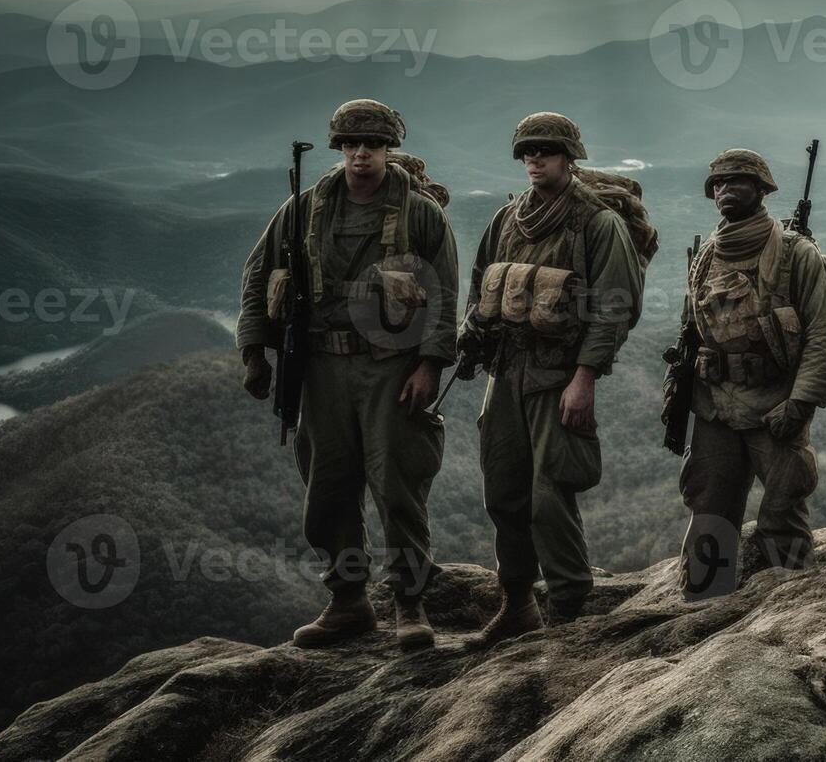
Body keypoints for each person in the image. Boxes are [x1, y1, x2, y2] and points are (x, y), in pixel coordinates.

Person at [236, 98, 456, 650]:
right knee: (328, 488)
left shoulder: (419, 213)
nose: (362, 153)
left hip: (390, 368)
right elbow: (260, 272)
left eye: (373, 145)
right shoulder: (306, 207)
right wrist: (253, 351)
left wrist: (430, 363)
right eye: (352, 144)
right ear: (339, 148)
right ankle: (348, 601)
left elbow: (447, 291)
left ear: (389, 149)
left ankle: (409, 602)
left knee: (397, 486)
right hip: (322, 367)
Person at [460, 112, 645, 643]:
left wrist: (585, 378)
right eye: (527, 152)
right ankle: (517, 602)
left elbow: (615, 308)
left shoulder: (595, 222)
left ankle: (567, 604)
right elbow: (480, 285)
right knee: (504, 490)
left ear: (569, 157)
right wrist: (471, 332)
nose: (534, 159)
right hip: (506, 371)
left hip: (558, 375)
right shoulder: (507, 220)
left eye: (545, 150)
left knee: (550, 495)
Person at [677, 149, 826, 578]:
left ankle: (793, 611)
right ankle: (704, 612)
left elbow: (823, 335)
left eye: (738, 181)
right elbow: (694, 330)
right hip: (716, 404)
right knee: (710, 512)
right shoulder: (706, 255)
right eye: (719, 184)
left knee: (782, 515)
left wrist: (801, 402)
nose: (726, 190)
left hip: (775, 404)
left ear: (762, 190)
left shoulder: (794, 254)